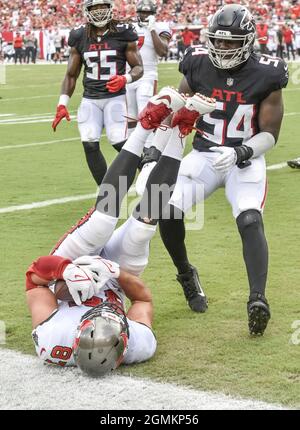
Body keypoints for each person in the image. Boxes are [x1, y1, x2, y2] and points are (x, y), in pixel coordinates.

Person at [27, 87, 215, 376]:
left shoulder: (53, 339)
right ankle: (181, 129)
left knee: (102, 222)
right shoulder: (140, 345)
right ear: (123, 345)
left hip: (72, 264)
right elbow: (143, 300)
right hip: (116, 277)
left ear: (78, 331)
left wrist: (65, 271)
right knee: (143, 227)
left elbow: (33, 279)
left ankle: (146, 125)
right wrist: (112, 272)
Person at [139, 4, 289, 336]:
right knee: (168, 211)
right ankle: (186, 274)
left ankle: (257, 300)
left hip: (244, 157)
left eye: (230, 42)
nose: (222, 48)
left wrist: (242, 151)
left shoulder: (267, 72)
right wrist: (154, 145)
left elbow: (270, 133)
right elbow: (178, 106)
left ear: (248, 41)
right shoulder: (196, 63)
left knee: (250, 218)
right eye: (218, 41)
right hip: (204, 155)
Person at [52, 0, 143, 186]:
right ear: (88, 11)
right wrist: (62, 103)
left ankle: (149, 168)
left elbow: (138, 68)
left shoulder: (123, 32)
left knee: (118, 141)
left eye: (103, 7)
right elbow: (71, 75)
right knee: (89, 143)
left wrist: (125, 79)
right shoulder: (79, 35)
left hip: (114, 98)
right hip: (90, 99)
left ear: (110, 8)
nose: (100, 12)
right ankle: (106, 194)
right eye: (95, 8)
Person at [126, 0, 171, 147]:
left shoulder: (160, 27)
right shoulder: (130, 27)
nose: (145, 16)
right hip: (129, 76)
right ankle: (132, 149)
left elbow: (163, 51)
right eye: (142, 12)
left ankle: (149, 148)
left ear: (153, 14)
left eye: (148, 13)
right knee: (130, 117)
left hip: (147, 76)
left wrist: (152, 29)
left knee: (146, 115)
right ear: (137, 13)